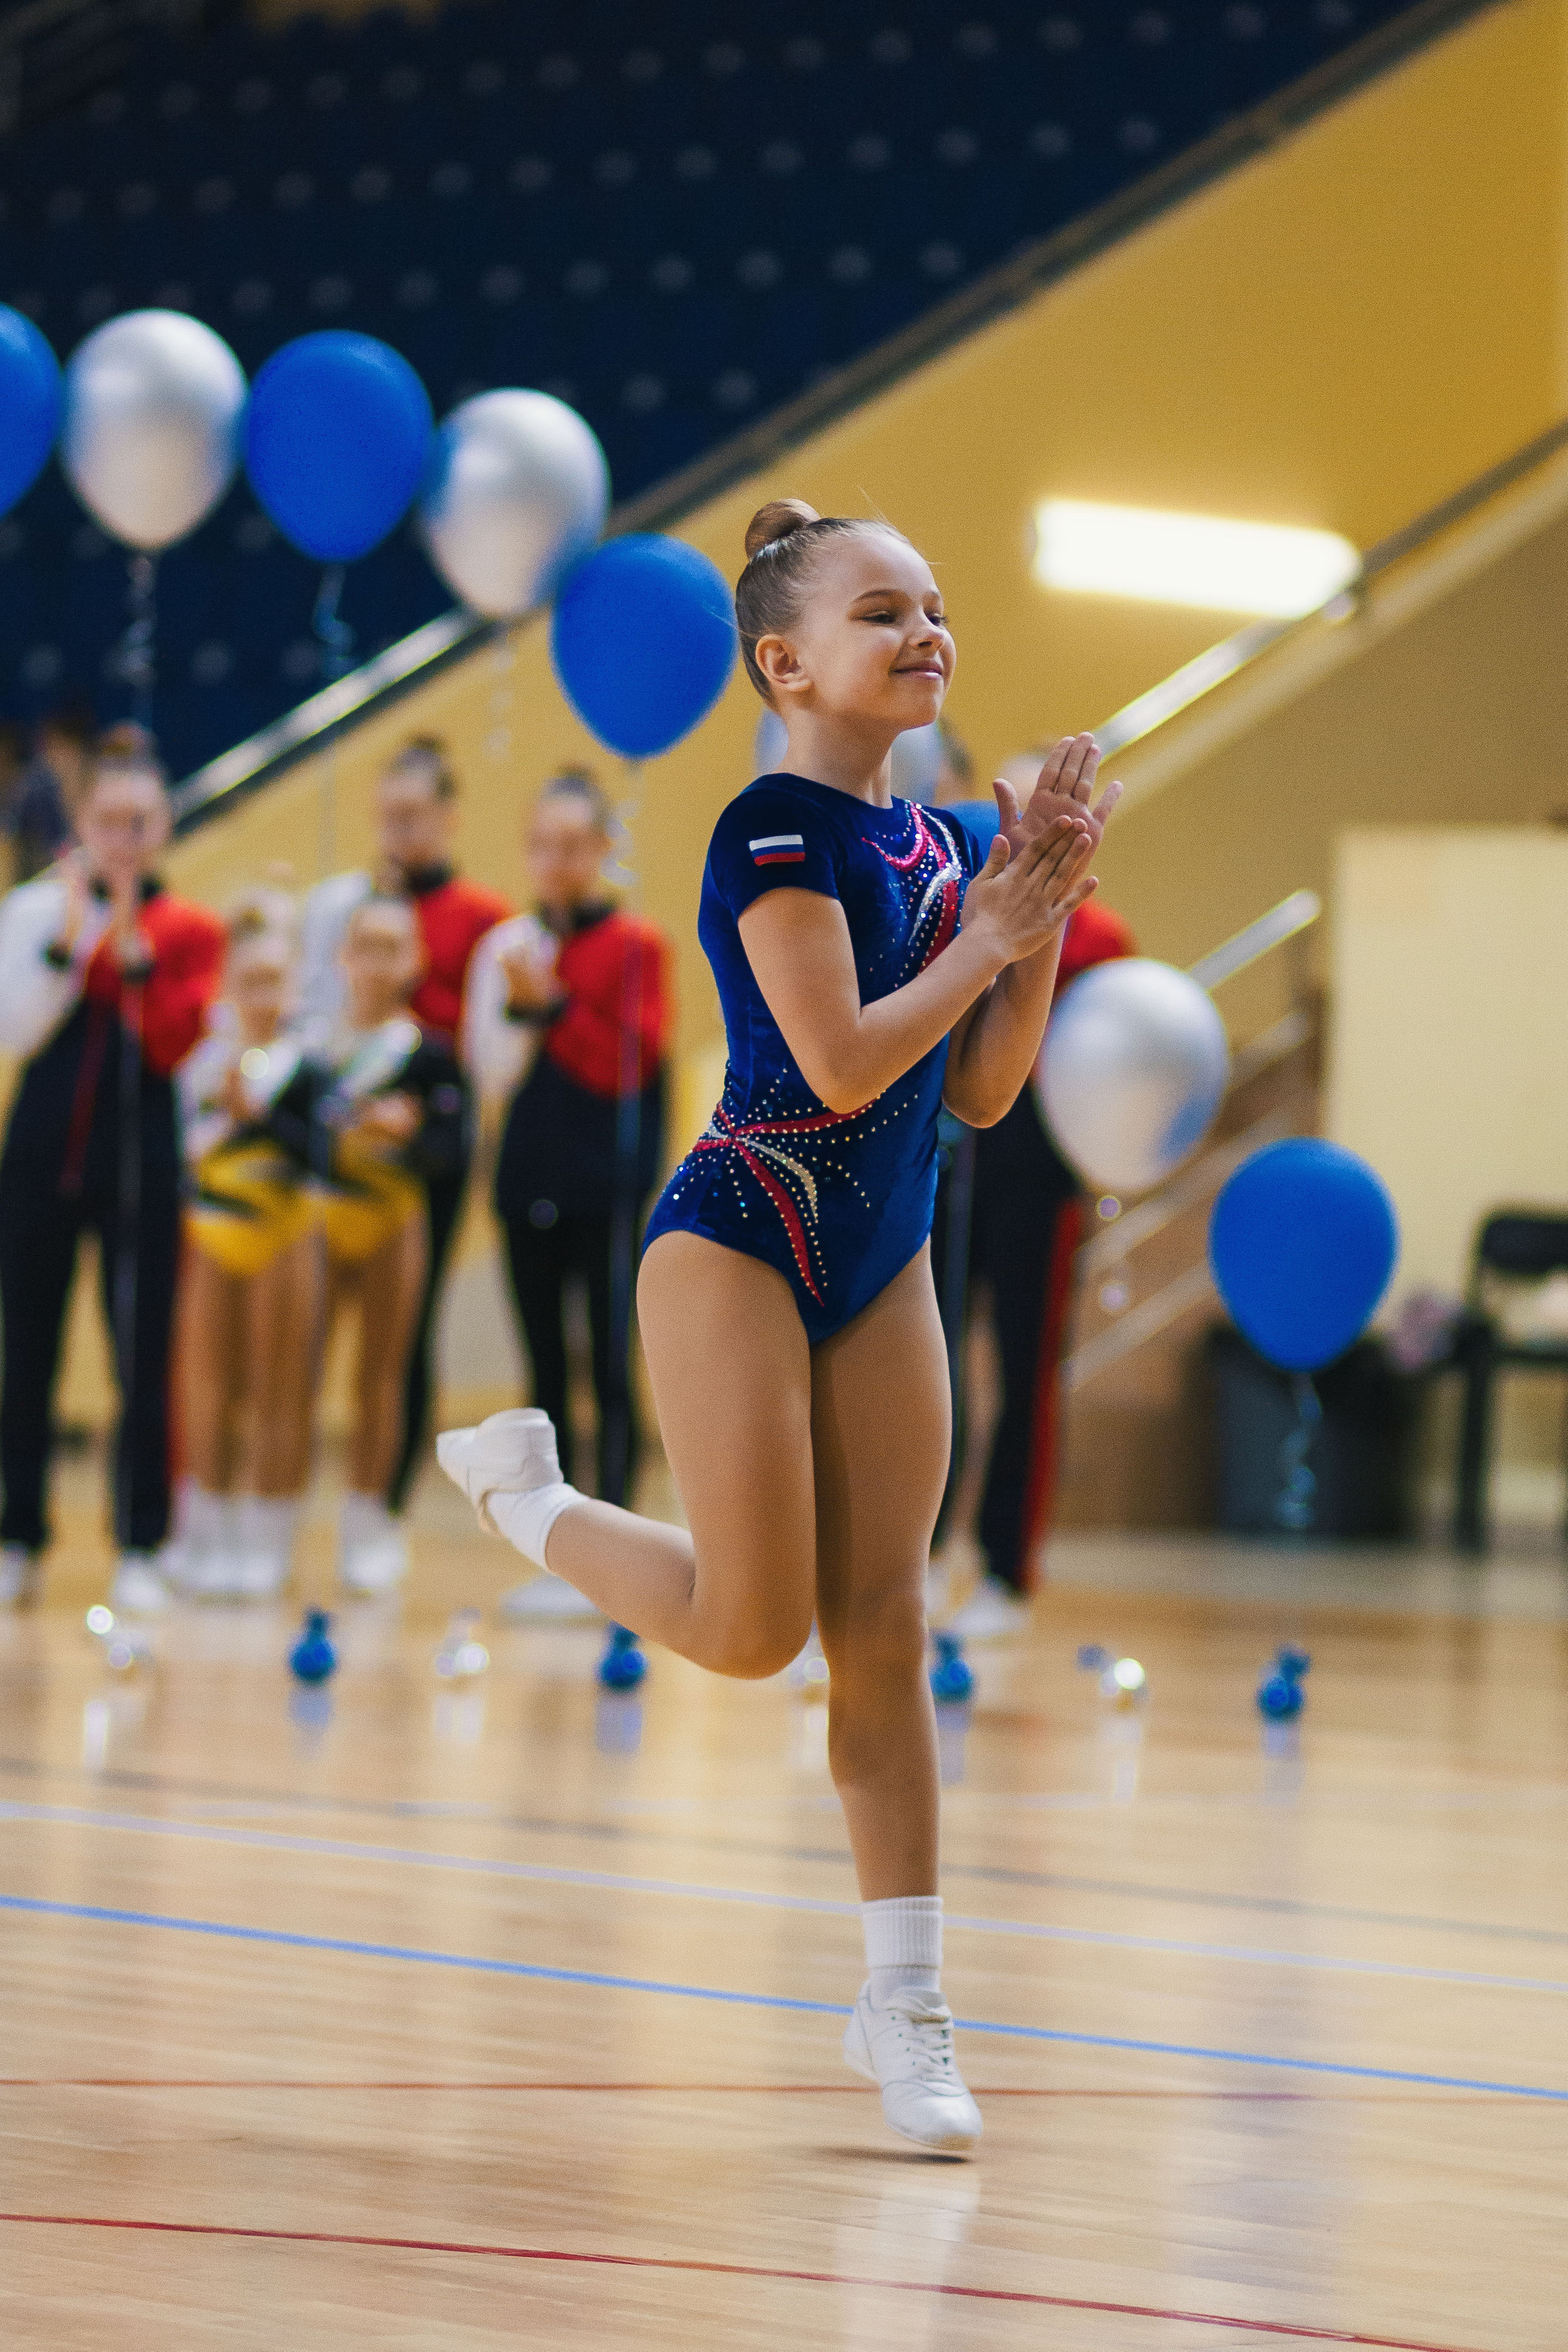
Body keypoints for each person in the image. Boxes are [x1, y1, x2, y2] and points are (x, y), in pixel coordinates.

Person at [438, 499, 1118, 2155]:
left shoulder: (948, 848)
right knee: (752, 1630)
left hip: (884, 1257)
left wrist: (1031, 919)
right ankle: (528, 1500)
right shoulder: (766, 831)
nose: (925, 631)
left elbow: (980, 1087)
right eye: (882, 611)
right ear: (785, 663)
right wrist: (991, 935)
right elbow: (837, 1059)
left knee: (882, 1625)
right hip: (739, 1234)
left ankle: (907, 2002)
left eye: (933, 606)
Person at [0, 725, 225, 1613]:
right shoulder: (34, 912)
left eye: (141, 822)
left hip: (142, 1164)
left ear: (164, 827)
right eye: (108, 821)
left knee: (142, 1356)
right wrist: (72, 944)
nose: (125, 839)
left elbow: (178, 1044)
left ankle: (141, 1543)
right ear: (81, 824)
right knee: (28, 1353)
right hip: (38, 1161)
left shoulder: (189, 930)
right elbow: (16, 1030)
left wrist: (136, 962)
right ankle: (19, 1536)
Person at [464, 769, 674, 1623]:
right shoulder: (510, 947)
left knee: (611, 1370)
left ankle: (617, 1557)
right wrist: (523, 1007)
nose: (555, 862)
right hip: (527, 1183)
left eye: (572, 846)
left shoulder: (635, 945)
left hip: (607, 1189)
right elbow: (491, 1071)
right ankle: (558, 1555)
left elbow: (625, 1065)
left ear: (603, 851)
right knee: (544, 1376)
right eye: (541, 846)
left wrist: (550, 1004)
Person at [298, 736, 510, 1513]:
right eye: (388, 816)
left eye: (414, 815)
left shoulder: (484, 918)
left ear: (448, 817)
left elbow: (486, 1043)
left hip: (428, 1138)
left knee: (405, 1326)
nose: (399, 831)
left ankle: (383, 1502)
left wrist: (429, 1112)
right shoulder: (341, 908)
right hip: (342, 1137)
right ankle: (286, 1497)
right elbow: (316, 1008)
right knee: (311, 1321)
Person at [935, 876, 1136, 1640]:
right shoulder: (956, 904)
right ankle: (917, 1551)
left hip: (1039, 1174)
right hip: (946, 1165)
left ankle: (1006, 1569)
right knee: (926, 1359)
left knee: (1027, 1374)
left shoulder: (1098, 938)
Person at [310, 895, 467, 1594]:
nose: (375, 964)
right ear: (342, 955)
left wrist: (411, 1132)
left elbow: (452, 1149)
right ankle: (267, 1518)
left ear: (415, 961)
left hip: (391, 1221)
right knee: (295, 1371)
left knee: (382, 1374)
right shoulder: (314, 1048)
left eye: (391, 948)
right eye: (364, 946)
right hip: (318, 1223)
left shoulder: (428, 1055)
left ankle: (369, 1520)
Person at [173, 894, 320, 1601]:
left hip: (282, 1235)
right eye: (250, 982)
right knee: (208, 1387)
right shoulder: (203, 1065)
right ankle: (208, 1531)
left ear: (294, 988)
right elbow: (182, 1148)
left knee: (277, 1386)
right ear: (228, 985)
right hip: (214, 1235)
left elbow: (321, 1154)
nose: (263, 997)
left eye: (275, 983)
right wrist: (219, 1121)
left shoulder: (306, 1067)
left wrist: (260, 1115)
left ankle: (268, 1536)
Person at [5, 699, 94, 884]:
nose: (52, 755)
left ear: (78, 748)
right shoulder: (35, 794)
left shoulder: (103, 791)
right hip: (42, 885)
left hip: (91, 882)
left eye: (62, 747)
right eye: (49, 747)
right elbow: (13, 847)